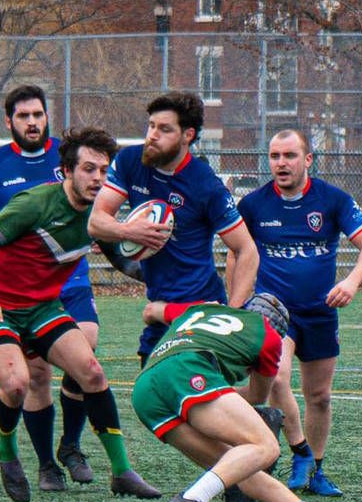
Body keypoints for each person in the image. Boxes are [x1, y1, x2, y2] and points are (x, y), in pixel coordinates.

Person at [0, 127, 163, 502]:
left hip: (42, 307)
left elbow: (121, 259)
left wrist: (157, 275)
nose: (99, 179)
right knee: (18, 384)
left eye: (105, 171)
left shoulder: (96, 214)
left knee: (91, 372)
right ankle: (7, 451)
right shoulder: (34, 203)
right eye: (89, 169)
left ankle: (122, 471)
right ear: (66, 171)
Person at [0, 85, 100, 490]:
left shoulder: (72, 160)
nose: (33, 122)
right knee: (34, 376)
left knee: (85, 355)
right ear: (8, 121)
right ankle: (45, 465)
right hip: (16, 286)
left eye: (38, 114)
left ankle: (70, 446)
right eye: (23, 116)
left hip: (69, 280)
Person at [131, 296, 362, 502]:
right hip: (188, 370)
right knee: (266, 446)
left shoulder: (203, 309)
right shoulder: (270, 336)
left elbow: (152, 310)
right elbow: (256, 395)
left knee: (237, 465)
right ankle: (193, 499)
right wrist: (222, 392)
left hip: (145, 389)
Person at [237, 129, 362, 499]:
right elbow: (237, 254)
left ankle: (316, 469)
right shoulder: (254, 205)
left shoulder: (332, 200)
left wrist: (351, 281)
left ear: (308, 160)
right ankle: (299, 450)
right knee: (277, 379)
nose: (281, 163)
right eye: (274, 156)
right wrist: (236, 302)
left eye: (289, 155)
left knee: (319, 396)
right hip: (274, 311)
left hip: (321, 312)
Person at [86, 92, 259, 363]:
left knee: (194, 399)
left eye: (164, 129)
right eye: (151, 126)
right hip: (159, 307)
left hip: (200, 308)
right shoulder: (131, 161)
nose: (153, 135)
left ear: (187, 135)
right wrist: (128, 231)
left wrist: (232, 312)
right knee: (151, 397)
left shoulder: (205, 185)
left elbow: (247, 250)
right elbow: (96, 221)